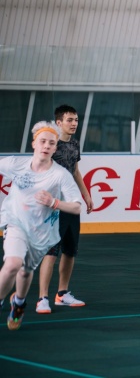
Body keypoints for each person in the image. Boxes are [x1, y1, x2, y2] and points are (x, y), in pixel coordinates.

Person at [0, 121, 82, 330]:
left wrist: (54, 202)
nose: (46, 146)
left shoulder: (60, 175)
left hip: (41, 233)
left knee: (25, 272)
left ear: (55, 149)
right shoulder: (15, 164)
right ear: (34, 144)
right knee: (12, 264)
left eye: (51, 143)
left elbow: (76, 207)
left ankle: (19, 303)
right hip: (16, 223)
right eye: (43, 141)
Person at [35, 105, 93, 314]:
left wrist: (86, 194)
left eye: (76, 120)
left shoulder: (75, 144)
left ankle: (62, 293)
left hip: (71, 205)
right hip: (52, 206)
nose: (74, 123)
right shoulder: (50, 144)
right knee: (51, 252)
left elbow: (75, 171)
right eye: (70, 120)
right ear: (59, 122)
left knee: (70, 250)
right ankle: (42, 298)